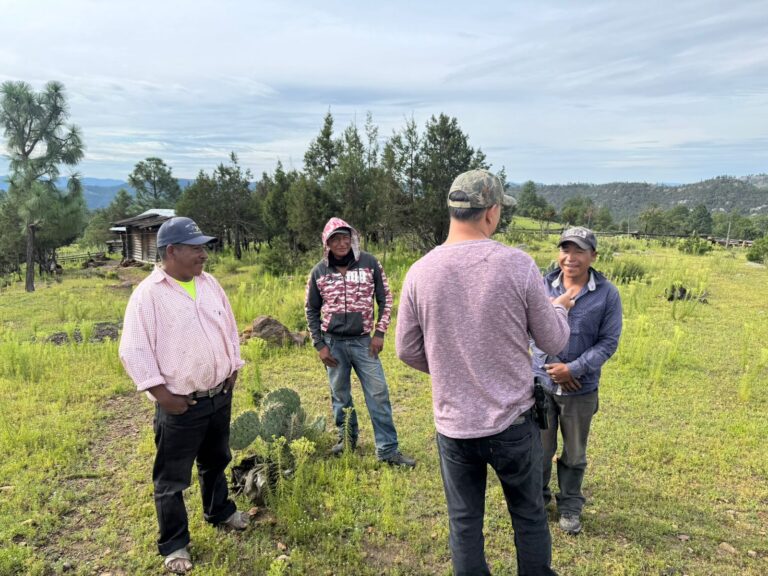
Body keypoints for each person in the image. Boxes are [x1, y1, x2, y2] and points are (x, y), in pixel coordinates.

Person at [396, 169, 575, 576]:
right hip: (513, 423)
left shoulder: (419, 272)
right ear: (491, 212)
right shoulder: (516, 265)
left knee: (464, 522)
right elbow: (554, 341)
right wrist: (560, 307)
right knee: (528, 516)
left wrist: (450, 368)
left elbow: (406, 349)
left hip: (454, 426)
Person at [119, 217, 249, 574]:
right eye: (195, 248)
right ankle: (175, 544)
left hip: (219, 395)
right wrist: (163, 396)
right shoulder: (148, 295)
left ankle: (219, 511)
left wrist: (233, 367)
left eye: (203, 247)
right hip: (181, 405)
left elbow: (230, 327)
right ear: (171, 251)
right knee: (171, 479)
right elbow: (134, 350)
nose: (203, 255)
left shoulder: (210, 285)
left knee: (216, 460)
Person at [531, 226, 622, 535]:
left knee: (574, 452)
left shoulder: (607, 294)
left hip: (580, 389)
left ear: (593, 256)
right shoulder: (541, 286)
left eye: (579, 251)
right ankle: (539, 500)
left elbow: (608, 342)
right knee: (539, 449)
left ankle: (570, 504)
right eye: (565, 250)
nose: (570, 258)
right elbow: (528, 331)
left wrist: (575, 369)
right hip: (542, 384)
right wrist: (553, 363)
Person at [305, 217, 415, 467]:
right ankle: (347, 440)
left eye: (345, 238)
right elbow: (311, 310)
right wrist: (320, 346)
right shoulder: (319, 271)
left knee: (378, 394)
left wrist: (380, 333)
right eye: (335, 239)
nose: (342, 243)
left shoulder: (369, 263)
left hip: (365, 343)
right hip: (333, 345)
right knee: (340, 396)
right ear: (327, 243)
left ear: (352, 239)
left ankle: (387, 450)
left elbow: (385, 298)